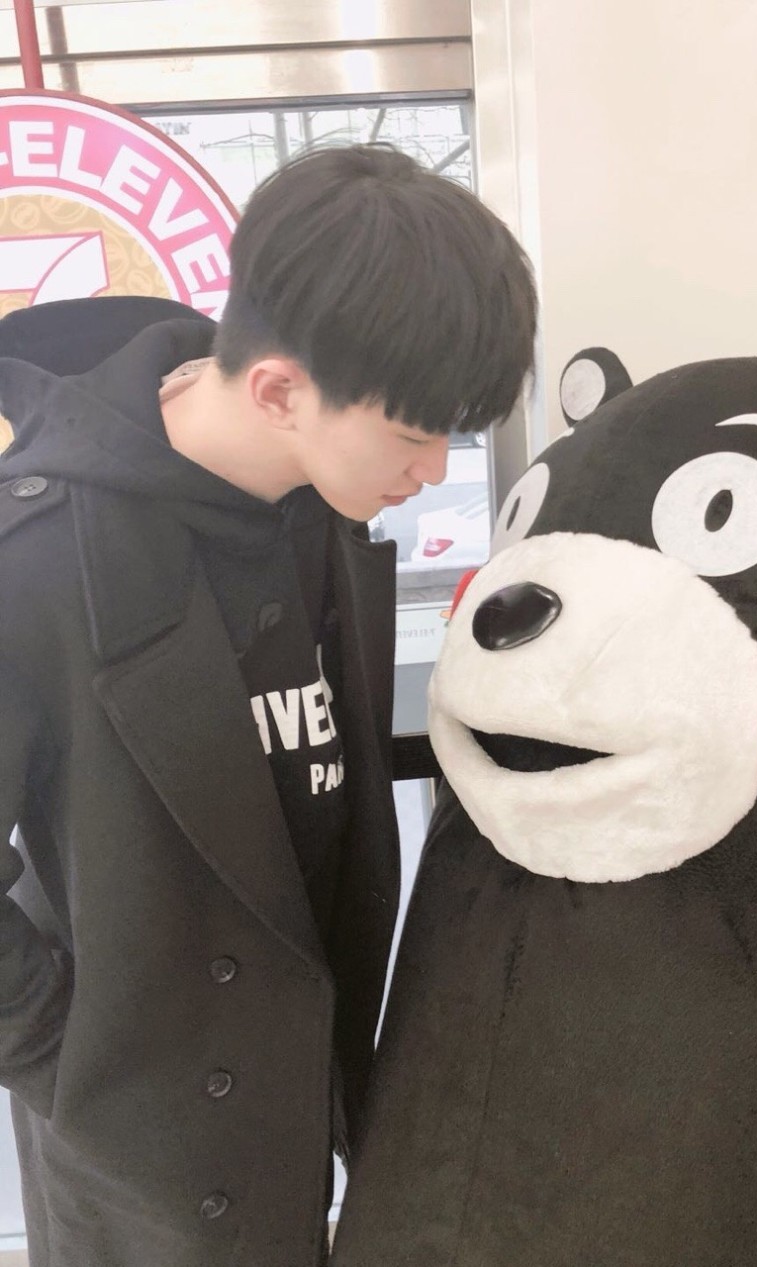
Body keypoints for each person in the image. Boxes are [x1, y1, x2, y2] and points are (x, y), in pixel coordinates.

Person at [0, 143, 536, 1267]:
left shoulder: (318, 502)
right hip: (139, 1168)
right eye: (412, 434)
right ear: (280, 390)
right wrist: (75, 1062)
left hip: (303, 1104)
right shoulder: (37, 558)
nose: (432, 470)